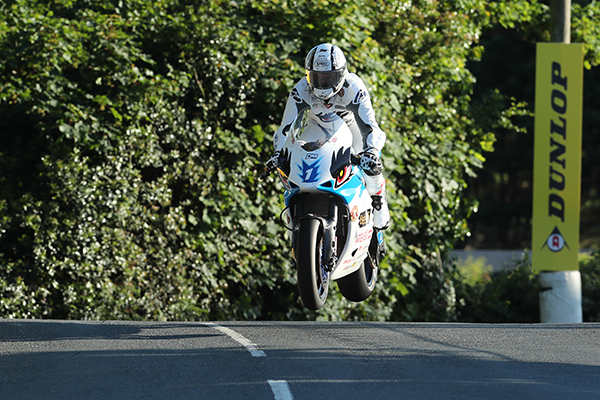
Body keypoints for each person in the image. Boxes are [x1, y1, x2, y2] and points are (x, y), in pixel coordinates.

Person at [268, 43, 390, 230]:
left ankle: (379, 210)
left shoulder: (354, 87)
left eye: (329, 77)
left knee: (371, 168)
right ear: (308, 74)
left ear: (341, 74)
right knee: (296, 173)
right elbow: (284, 128)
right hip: (317, 127)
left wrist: (371, 152)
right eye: (317, 77)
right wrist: (278, 153)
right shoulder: (300, 89)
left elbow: (371, 128)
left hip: (351, 129)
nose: (322, 83)